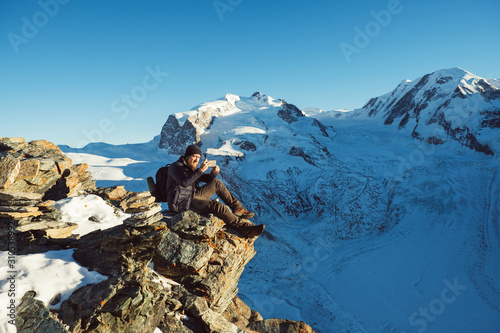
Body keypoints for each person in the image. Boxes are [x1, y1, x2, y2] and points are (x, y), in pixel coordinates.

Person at [166, 144, 265, 238]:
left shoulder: (189, 167)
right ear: (187, 156)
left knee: (217, 183)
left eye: (198, 157)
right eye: (194, 156)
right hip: (182, 203)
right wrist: (200, 170)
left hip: (192, 196)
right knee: (217, 206)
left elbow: (204, 179)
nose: (196, 159)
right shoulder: (175, 167)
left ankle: (237, 207)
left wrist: (213, 174)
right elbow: (184, 182)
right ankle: (244, 228)